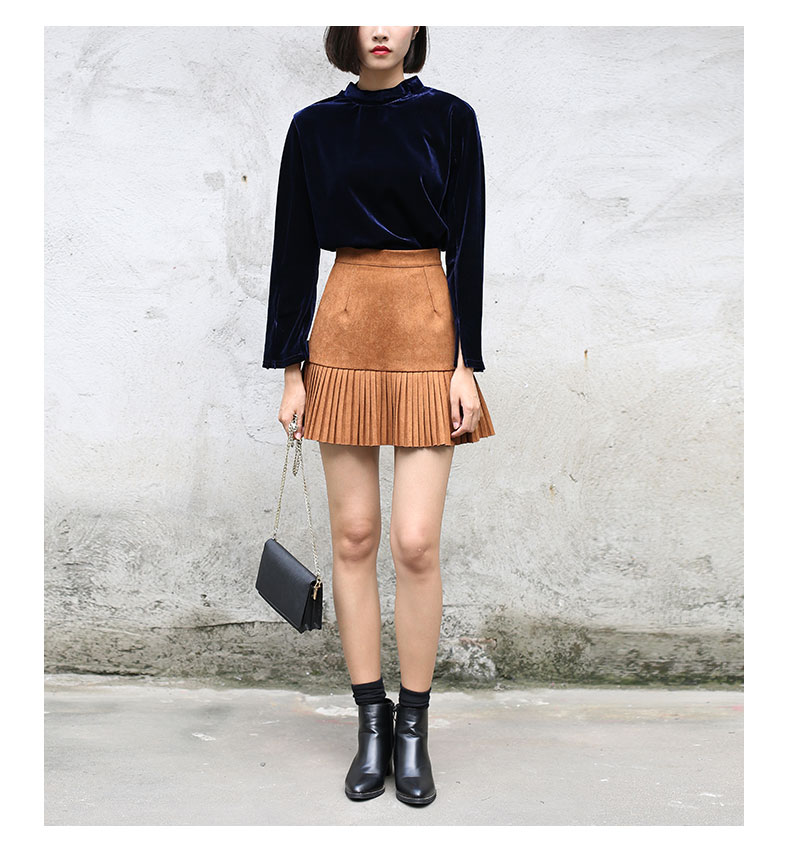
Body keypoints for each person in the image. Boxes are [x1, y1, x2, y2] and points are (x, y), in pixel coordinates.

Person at [261, 25, 495, 807]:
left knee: (415, 542)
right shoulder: (313, 127)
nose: (384, 26)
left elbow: (468, 245)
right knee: (354, 538)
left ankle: (414, 727)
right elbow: (293, 248)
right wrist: (291, 369)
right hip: (343, 328)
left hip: (428, 329)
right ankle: (371, 721)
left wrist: (466, 365)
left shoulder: (450, 118)